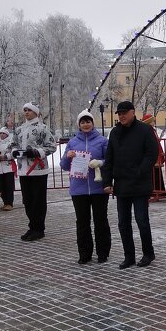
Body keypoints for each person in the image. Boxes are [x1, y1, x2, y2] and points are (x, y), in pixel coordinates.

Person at [101, 100, 159, 269]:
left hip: (140, 184)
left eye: (125, 112)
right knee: (123, 222)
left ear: (133, 112)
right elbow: (109, 158)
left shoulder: (145, 130)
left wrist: (140, 171)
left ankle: (148, 253)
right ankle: (129, 256)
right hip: (121, 185)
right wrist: (107, 181)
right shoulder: (115, 132)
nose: (122, 116)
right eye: (119, 113)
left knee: (142, 220)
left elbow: (152, 153)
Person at [60, 110, 111, 265]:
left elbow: (109, 161)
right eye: (83, 122)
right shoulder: (73, 142)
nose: (86, 124)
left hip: (98, 188)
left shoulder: (102, 141)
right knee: (82, 222)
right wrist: (68, 157)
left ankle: (103, 253)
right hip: (79, 189)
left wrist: (100, 162)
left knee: (100, 221)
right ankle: (84, 253)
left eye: (88, 121)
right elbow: (64, 165)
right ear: (79, 125)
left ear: (93, 123)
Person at [10, 102, 56, 241]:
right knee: (28, 200)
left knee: (38, 200)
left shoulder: (43, 128)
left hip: (38, 170)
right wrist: (15, 152)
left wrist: (37, 152)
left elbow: (52, 146)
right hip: (24, 170)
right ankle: (32, 226)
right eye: (25, 110)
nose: (26, 112)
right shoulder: (19, 129)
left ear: (36, 112)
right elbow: (13, 145)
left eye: (29, 110)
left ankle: (39, 229)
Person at [141, 113, 166, 200]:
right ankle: (154, 192)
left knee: (157, 174)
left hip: (157, 155)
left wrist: (161, 152)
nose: (153, 123)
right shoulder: (148, 131)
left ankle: (159, 192)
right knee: (154, 174)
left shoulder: (152, 130)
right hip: (153, 156)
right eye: (152, 121)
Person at [0, 126, 16, 211]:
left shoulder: (11, 143)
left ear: (7, 134)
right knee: (1, 186)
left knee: (9, 186)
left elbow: (14, 153)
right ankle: (5, 202)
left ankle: (9, 203)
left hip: (9, 167)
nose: (1, 135)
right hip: (0, 167)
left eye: (3, 133)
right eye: (0, 133)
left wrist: (5, 157)